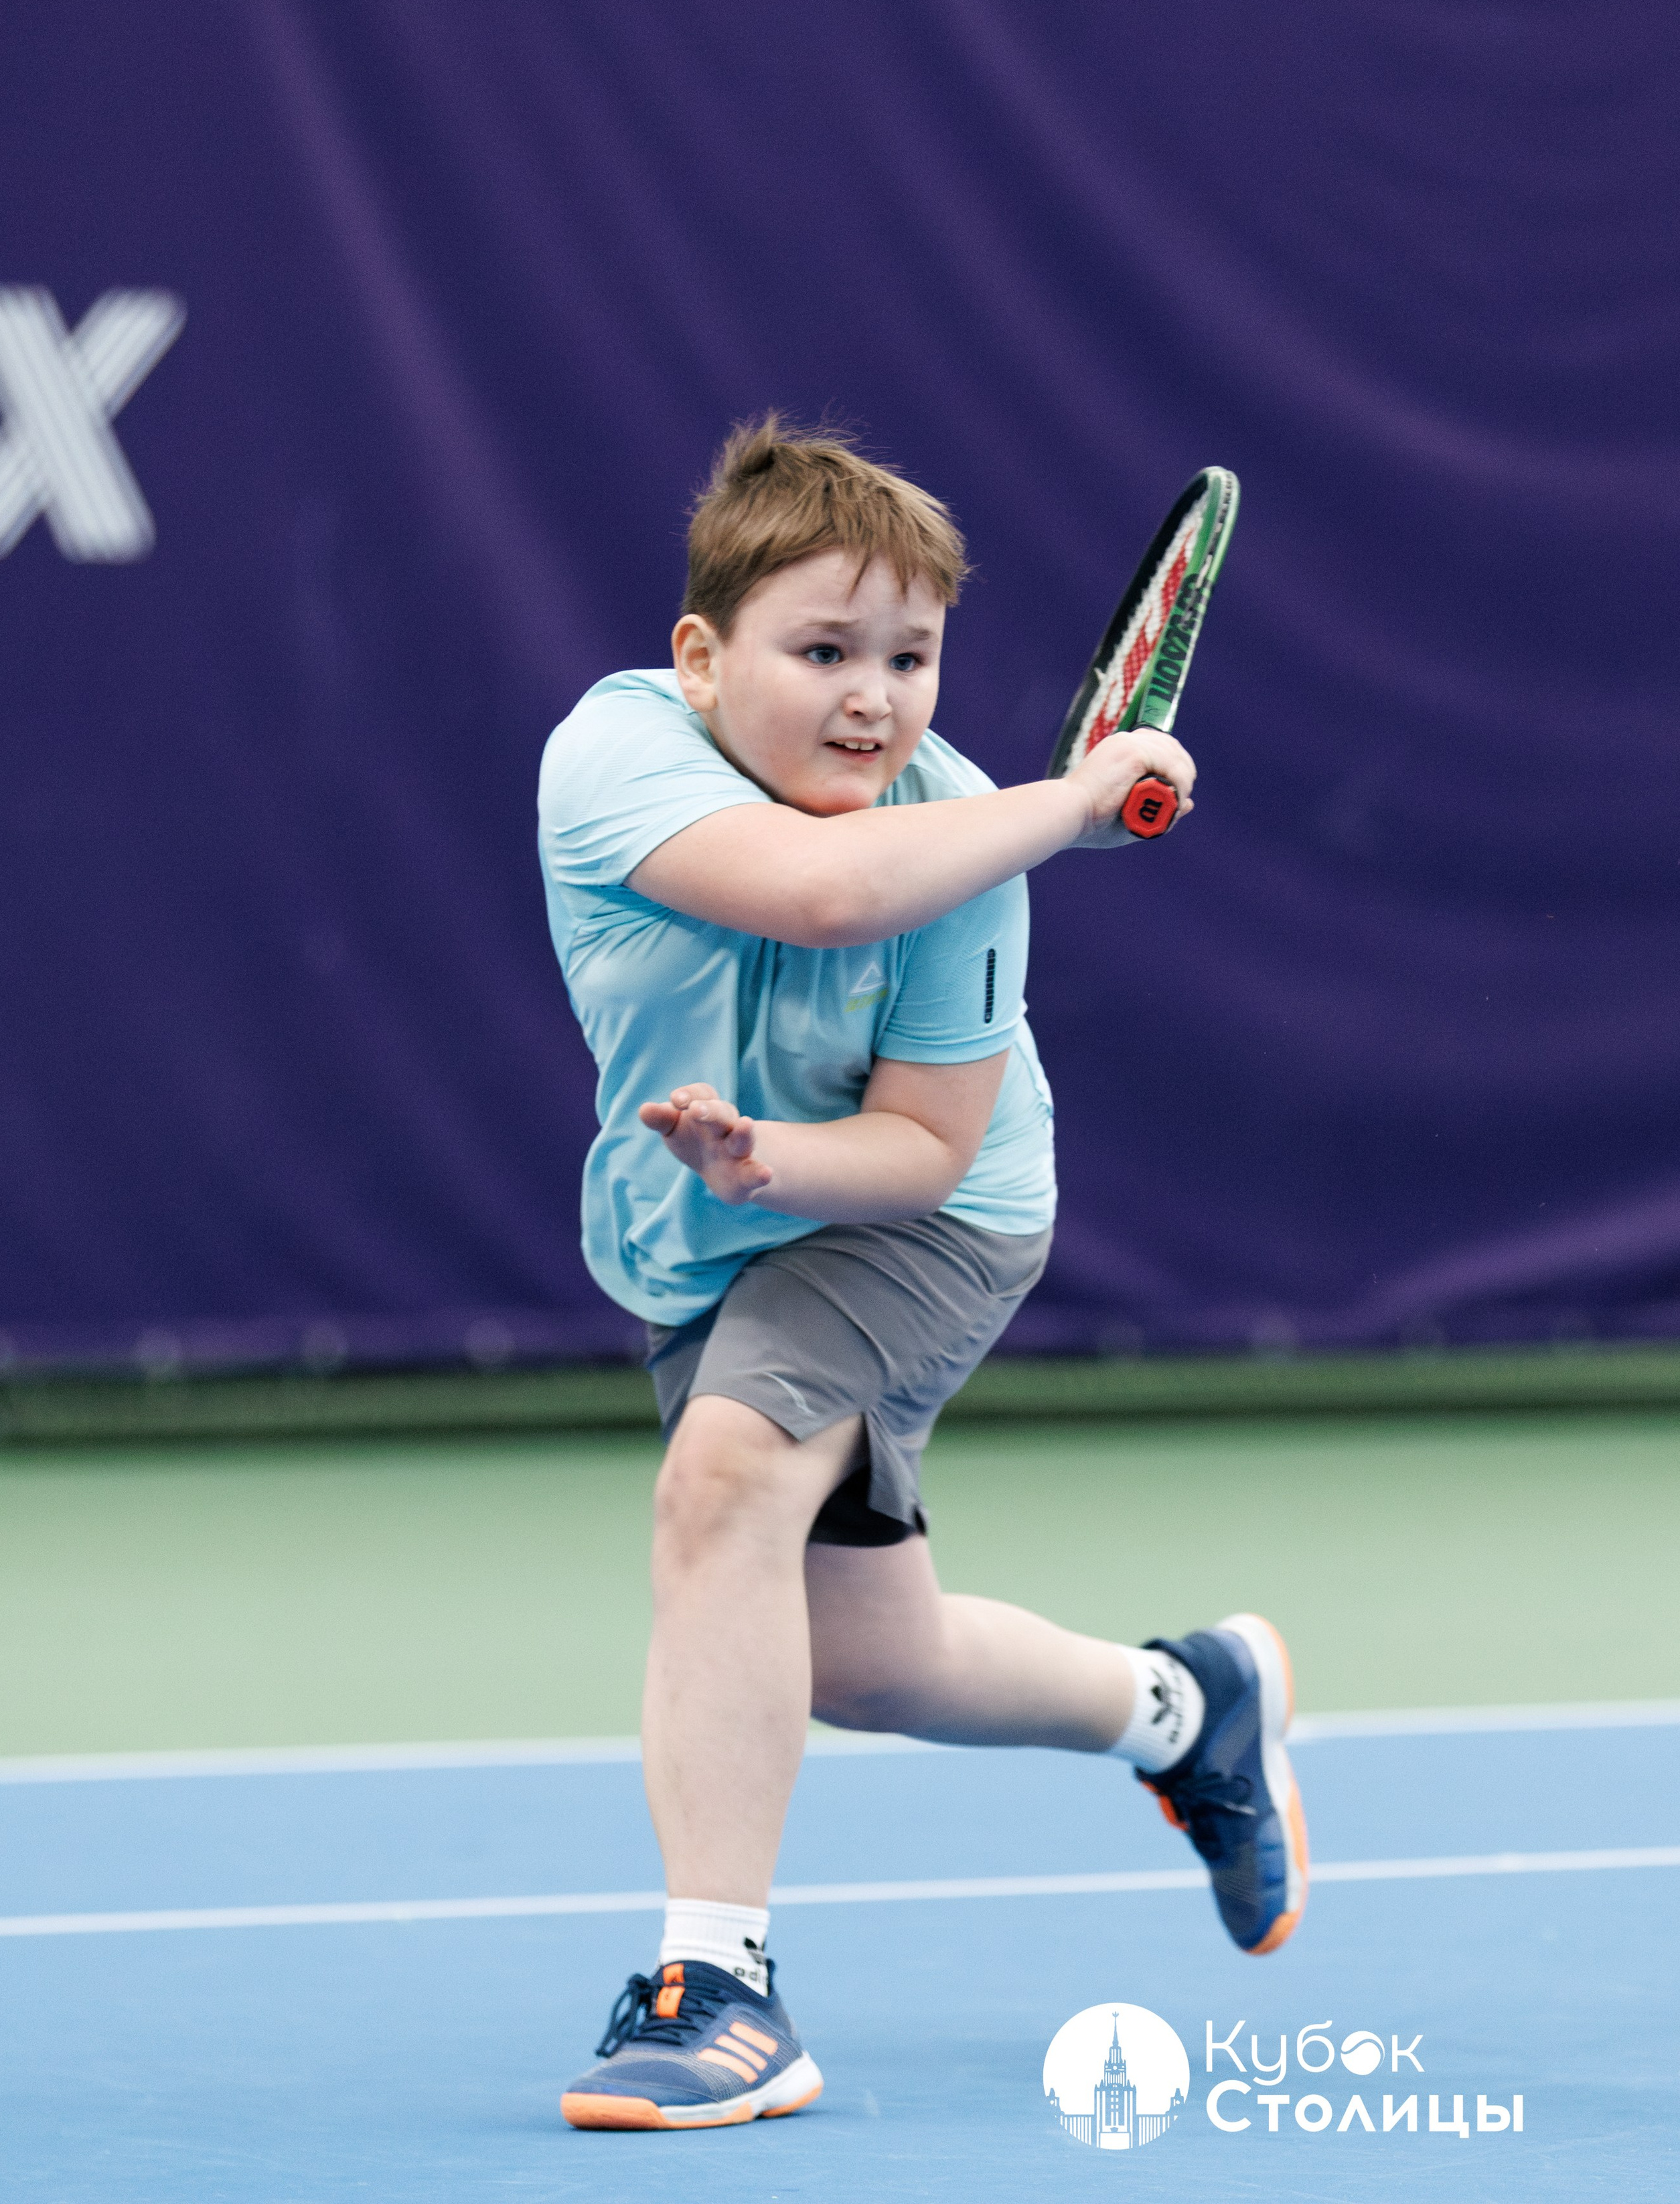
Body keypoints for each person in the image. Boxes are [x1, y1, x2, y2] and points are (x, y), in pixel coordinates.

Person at [537, 418, 1306, 2132]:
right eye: (822, 651)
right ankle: (1188, 1704)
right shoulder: (612, 753)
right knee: (872, 1661)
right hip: (708, 1231)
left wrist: (783, 1157)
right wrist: (1064, 809)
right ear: (700, 656)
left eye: (908, 656)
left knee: (720, 1475)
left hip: (926, 1220)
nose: (873, 696)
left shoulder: (962, 832)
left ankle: (713, 1983)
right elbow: (815, 894)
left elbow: (926, 1149)